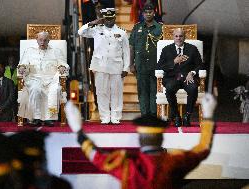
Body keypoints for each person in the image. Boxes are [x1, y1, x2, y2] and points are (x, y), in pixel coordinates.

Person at [65, 93, 217, 189]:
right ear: (162, 138)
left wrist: (78, 132)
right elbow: (203, 148)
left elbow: (96, 156)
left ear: (139, 139)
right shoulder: (175, 161)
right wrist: (208, 117)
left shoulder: (127, 165)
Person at [78, 8, 130, 124]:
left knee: (116, 92)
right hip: (100, 66)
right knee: (102, 92)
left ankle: (116, 116)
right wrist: (93, 22)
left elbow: (126, 52)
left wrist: (126, 68)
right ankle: (105, 117)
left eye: (111, 19)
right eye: (106, 19)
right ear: (103, 19)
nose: (108, 21)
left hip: (116, 66)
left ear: (114, 18)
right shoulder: (96, 30)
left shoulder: (122, 32)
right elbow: (80, 32)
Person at [18, 31, 69, 127]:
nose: (42, 42)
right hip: (34, 78)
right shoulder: (29, 51)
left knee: (55, 91)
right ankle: (36, 117)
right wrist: (22, 67)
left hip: (51, 79)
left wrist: (62, 66)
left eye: (45, 40)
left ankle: (49, 118)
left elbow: (63, 63)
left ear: (48, 41)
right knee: (35, 89)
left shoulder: (56, 51)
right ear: (36, 40)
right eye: (40, 40)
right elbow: (23, 63)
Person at [157, 28, 203, 127]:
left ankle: (187, 116)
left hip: (188, 77)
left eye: (181, 36)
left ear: (184, 37)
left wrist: (192, 72)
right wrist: (173, 62)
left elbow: (200, 65)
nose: (178, 38)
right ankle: (177, 116)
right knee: (169, 89)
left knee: (193, 88)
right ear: (173, 37)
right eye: (176, 36)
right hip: (172, 78)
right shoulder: (166, 49)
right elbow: (160, 66)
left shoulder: (192, 49)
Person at [129, 3, 162, 117]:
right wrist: (131, 64)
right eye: (146, 12)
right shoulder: (137, 27)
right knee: (142, 90)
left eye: (150, 12)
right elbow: (132, 46)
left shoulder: (160, 28)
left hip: (155, 64)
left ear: (154, 12)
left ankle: (153, 114)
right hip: (140, 64)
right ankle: (144, 114)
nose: (148, 14)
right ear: (142, 14)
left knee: (154, 90)